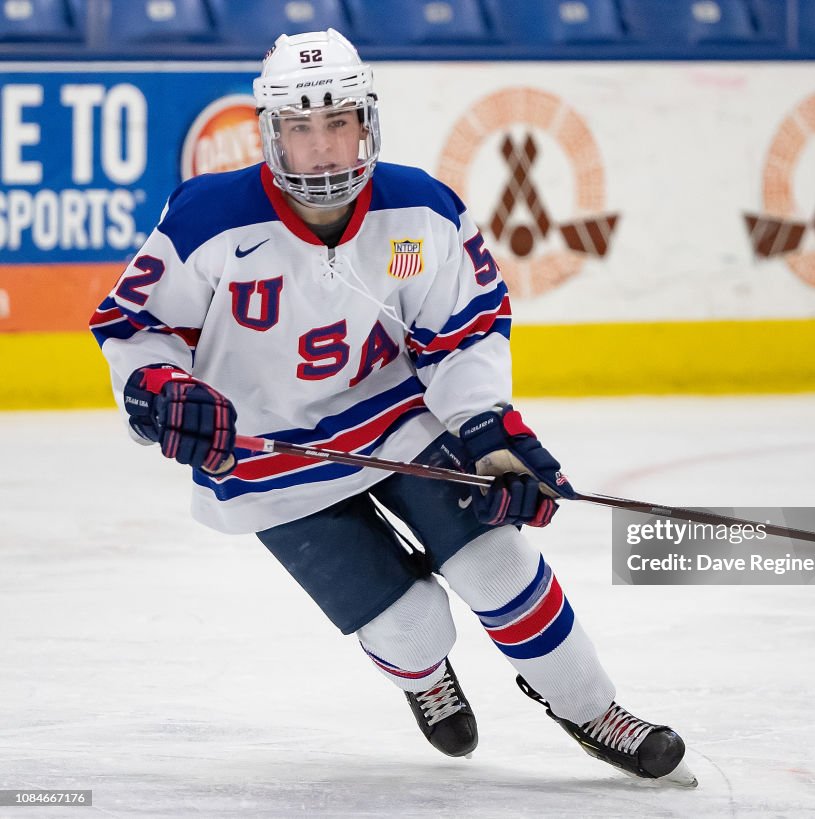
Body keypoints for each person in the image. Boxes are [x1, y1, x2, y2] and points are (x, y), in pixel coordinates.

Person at [89, 28, 694, 785]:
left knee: (500, 563)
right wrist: (157, 388)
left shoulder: (419, 211)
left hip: (400, 423)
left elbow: (463, 329)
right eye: (301, 127)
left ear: (366, 122)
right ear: (272, 132)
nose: (322, 148)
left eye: (337, 122)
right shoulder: (209, 217)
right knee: (415, 624)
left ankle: (592, 708)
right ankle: (423, 675)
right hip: (273, 460)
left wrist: (482, 425)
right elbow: (137, 327)